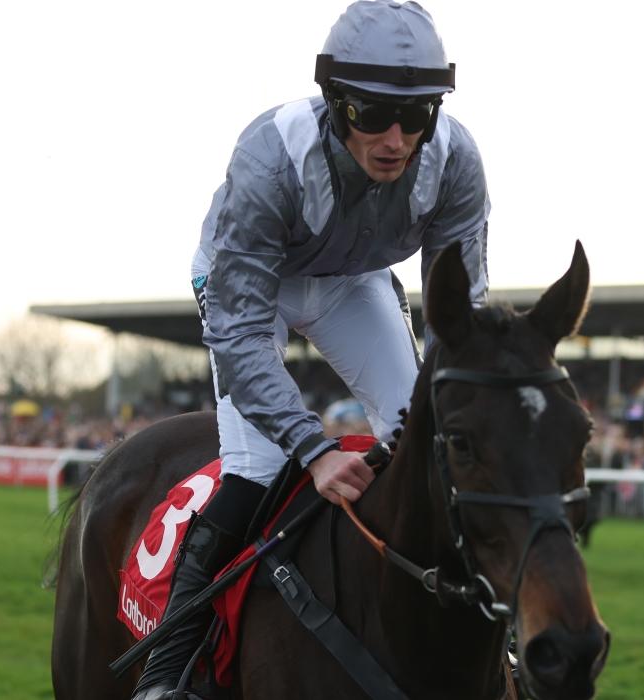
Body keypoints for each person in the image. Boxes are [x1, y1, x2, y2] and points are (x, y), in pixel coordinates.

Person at [132, 2, 490, 698]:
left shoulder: (456, 161)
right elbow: (240, 335)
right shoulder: (271, 156)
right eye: (373, 114)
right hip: (250, 287)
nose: (395, 140)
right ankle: (168, 665)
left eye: (416, 116)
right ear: (335, 102)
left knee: (432, 442)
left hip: (350, 279)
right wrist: (315, 449)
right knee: (260, 464)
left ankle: (474, 630)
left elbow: (459, 321)